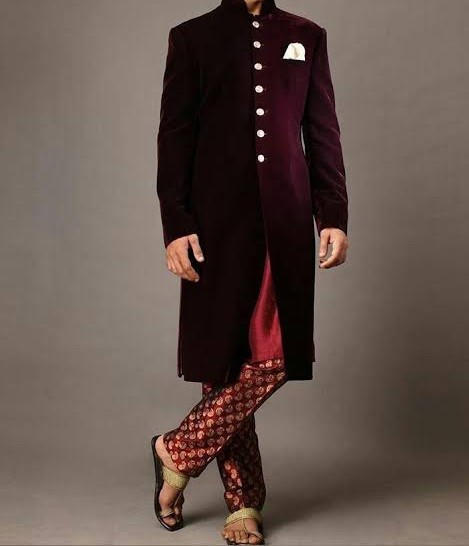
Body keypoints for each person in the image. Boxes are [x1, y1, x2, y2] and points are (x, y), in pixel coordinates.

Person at [153, 0, 349, 543]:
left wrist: (332, 213)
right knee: (224, 360)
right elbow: (175, 138)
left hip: (285, 219)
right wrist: (176, 224)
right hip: (215, 223)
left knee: (277, 354)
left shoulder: (307, 35)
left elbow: (322, 131)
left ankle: (177, 451)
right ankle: (243, 504)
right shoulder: (192, 38)